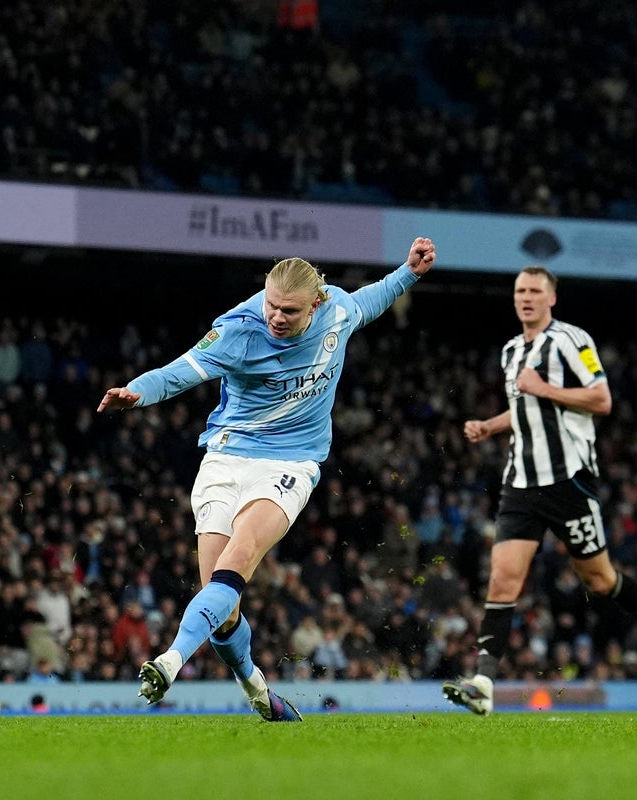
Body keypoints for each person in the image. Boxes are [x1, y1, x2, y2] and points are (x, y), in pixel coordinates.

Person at [97, 237, 437, 721]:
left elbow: (371, 299)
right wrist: (137, 391)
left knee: (236, 561)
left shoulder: (336, 311)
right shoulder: (239, 330)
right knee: (222, 609)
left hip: (290, 465)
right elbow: (180, 371)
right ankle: (256, 689)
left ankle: (169, 661)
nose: (276, 316)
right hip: (225, 459)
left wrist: (408, 273)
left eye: (289, 311)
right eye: (271, 305)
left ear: (315, 304)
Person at [442, 265, 637, 715]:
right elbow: (525, 409)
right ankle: (483, 683)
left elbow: (602, 400)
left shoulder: (573, 341)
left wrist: (544, 387)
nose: (526, 297)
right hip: (520, 482)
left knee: (599, 579)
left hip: (568, 480)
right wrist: (490, 426)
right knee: (503, 578)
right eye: (520, 290)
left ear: (551, 298)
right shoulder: (511, 350)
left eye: (535, 291)